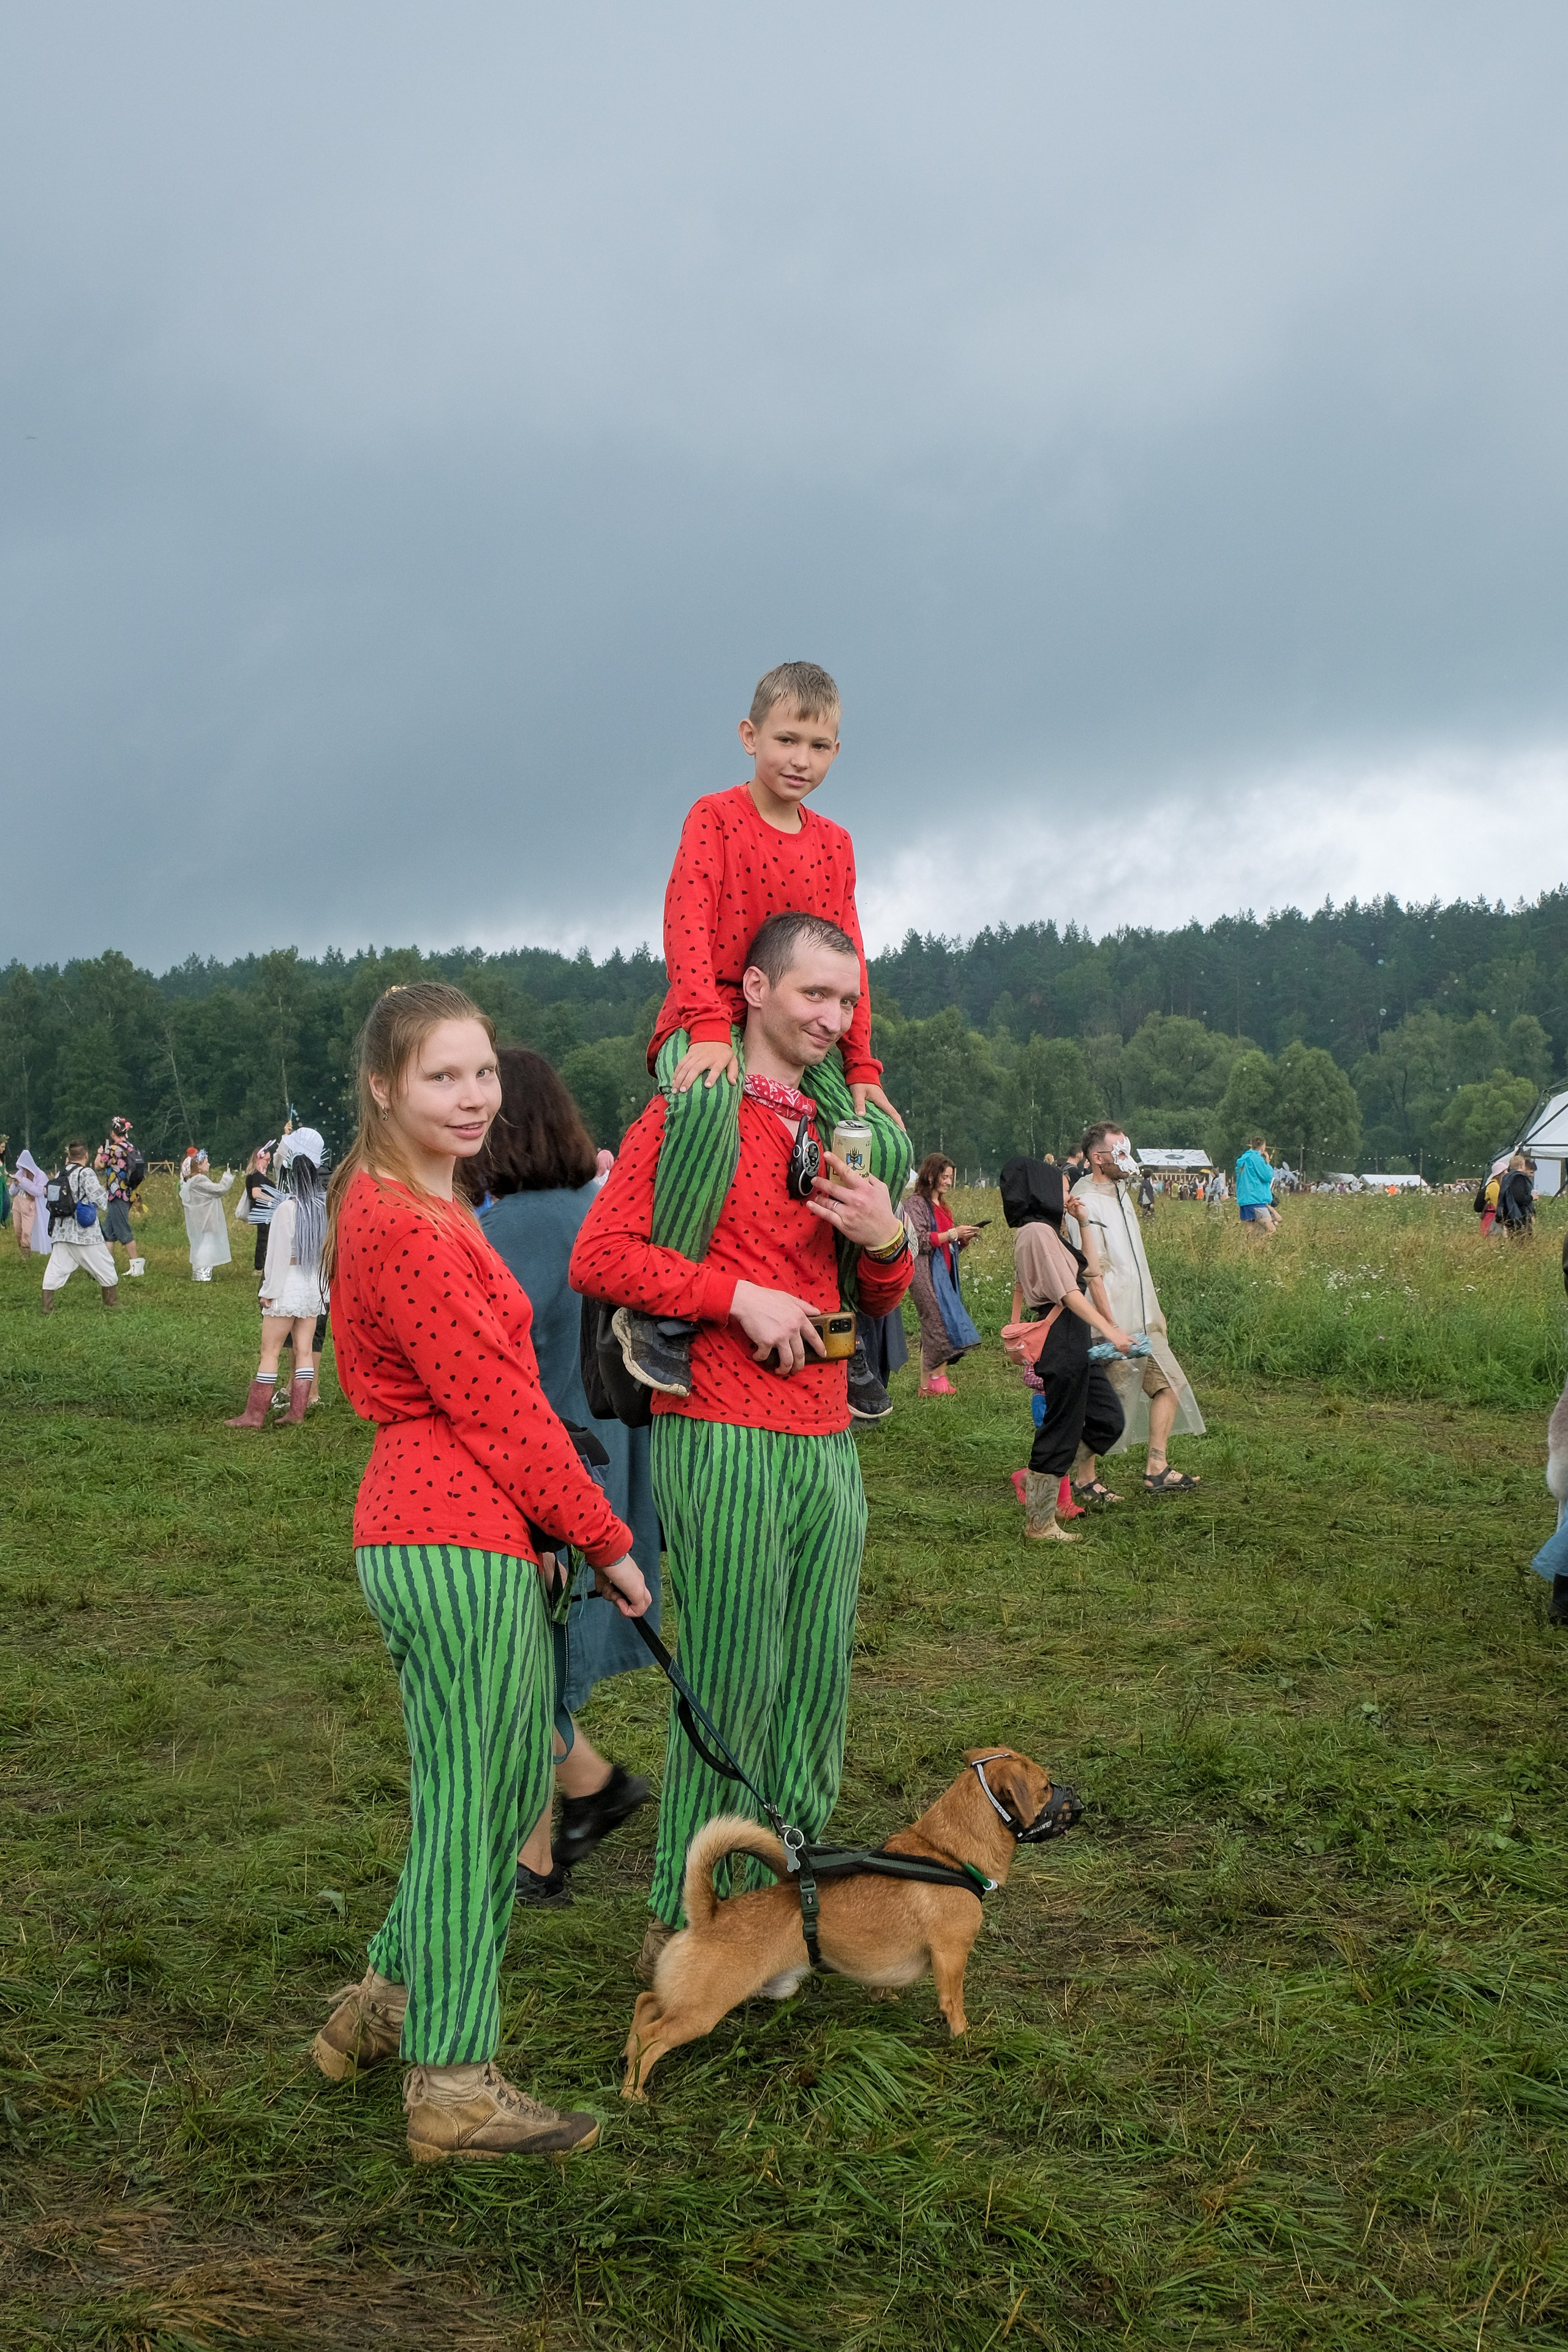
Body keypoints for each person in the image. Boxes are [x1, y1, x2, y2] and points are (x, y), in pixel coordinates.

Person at [310, 981, 650, 2165]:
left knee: (491, 1792)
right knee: (486, 1809)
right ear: (383, 1086)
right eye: (441, 1077)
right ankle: (451, 2087)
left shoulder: (419, 1201)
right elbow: (501, 1410)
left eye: (482, 1074)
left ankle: (381, 2007)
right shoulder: (406, 1222)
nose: (472, 1097)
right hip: (449, 1532)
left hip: (449, 1527)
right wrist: (608, 1542)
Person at [570, 911, 914, 1983]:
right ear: (756, 990)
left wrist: (886, 1239)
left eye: (848, 1002)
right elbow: (602, 1254)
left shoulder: (842, 1125)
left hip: (824, 1437)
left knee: (814, 1672)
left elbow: (882, 1289)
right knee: (729, 1674)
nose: (833, 1019)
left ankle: (785, 1900)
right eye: (814, 995)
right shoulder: (689, 1112)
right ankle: (688, 1916)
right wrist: (736, 1297)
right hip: (717, 1426)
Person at [610, 660, 912, 1422]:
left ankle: (844, 1327)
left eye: (818, 745)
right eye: (785, 739)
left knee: (880, 1144)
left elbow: (849, 955)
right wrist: (708, 1027)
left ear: (837, 752)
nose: (799, 760)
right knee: (708, 1109)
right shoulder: (714, 816)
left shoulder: (836, 843)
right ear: (749, 737)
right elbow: (686, 915)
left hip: (804, 1029)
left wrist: (862, 1063)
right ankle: (663, 1317)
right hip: (708, 1010)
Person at [464, 1046, 660, 1905]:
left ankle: (550, 1839)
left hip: (542, 1471)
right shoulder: (604, 1209)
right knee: (527, 1659)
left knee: (510, 1663)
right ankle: (570, 1808)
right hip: (613, 1466)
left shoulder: (503, 1232)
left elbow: (490, 1381)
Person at [1068, 1124, 1206, 1496]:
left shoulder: (1122, 1194)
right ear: (1099, 1158)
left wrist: (1153, 1311)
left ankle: (1156, 1467)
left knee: (1171, 1384)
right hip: (1111, 1320)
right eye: (1120, 1152)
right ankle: (1079, 1479)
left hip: (1143, 1318)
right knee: (1105, 1402)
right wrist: (1109, 1326)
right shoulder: (1083, 1201)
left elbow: (1135, 1262)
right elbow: (1092, 1271)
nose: (1128, 1159)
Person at [1000, 1158, 1131, 1542]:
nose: (1068, 1192)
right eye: (1061, 1187)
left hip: (1075, 1339)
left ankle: (1035, 1479)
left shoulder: (1048, 1231)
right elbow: (1070, 1294)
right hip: (1060, 1339)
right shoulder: (1037, 1233)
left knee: (1108, 1419)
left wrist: (1084, 1221)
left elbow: (1088, 1270)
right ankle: (1039, 1523)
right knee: (1060, 1429)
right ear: (1039, 1188)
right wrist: (1110, 1329)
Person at [225, 1129, 329, 1427]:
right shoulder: (323, 1207)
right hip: (312, 1287)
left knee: (269, 1352)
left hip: (287, 1285)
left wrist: (269, 1289)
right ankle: (297, 1413)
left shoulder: (287, 1207)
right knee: (305, 1351)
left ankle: (254, 1415)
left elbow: (277, 1256)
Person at [905, 1154, 982, 1396]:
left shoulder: (943, 1206)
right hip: (924, 1272)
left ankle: (930, 1382)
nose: (949, 1182)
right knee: (936, 1323)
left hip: (945, 1272)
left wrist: (962, 1239)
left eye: (951, 1177)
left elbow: (948, 1243)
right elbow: (920, 1240)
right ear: (930, 1176)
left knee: (941, 1322)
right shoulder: (915, 1204)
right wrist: (952, 1233)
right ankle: (933, 1381)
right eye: (944, 1176)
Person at [39, 1142, 119, 1313]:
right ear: (87, 1155)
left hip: (61, 1230)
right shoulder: (86, 1172)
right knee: (105, 1265)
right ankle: (112, 1302)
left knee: (56, 1267)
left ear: (70, 1156)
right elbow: (101, 1201)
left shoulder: (61, 1172)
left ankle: (48, 1305)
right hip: (84, 1232)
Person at [95, 1117, 146, 1278]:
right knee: (109, 1232)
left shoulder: (114, 1150)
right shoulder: (132, 1148)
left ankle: (137, 1264)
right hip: (128, 1193)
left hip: (117, 1194)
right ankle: (105, 1265)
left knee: (123, 1230)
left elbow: (98, 1166)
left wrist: (100, 1152)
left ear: (113, 1133)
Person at [179, 1150, 235, 1280]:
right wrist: (227, 1178)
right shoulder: (199, 1179)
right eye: (206, 1162)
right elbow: (219, 1190)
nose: (209, 1165)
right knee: (207, 1243)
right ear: (198, 1166)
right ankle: (202, 1273)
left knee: (203, 1242)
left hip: (201, 1217)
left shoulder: (193, 1180)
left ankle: (201, 1271)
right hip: (206, 1217)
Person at [236, 1141, 280, 1274]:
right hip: (263, 1211)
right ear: (259, 1159)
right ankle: (260, 1267)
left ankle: (262, 1265)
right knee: (264, 1238)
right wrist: (274, 1199)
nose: (269, 1162)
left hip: (263, 1211)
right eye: (267, 1159)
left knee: (265, 1237)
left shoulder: (255, 1175)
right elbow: (256, 1194)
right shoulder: (257, 1176)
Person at [1235, 1136, 1280, 1235]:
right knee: (1271, 1230)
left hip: (1245, 1202)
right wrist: (1267, 1163)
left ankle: (1251, 1249)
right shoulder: (1257, 1158)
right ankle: (1257, 1248)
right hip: (1257, 1200)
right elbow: (1267, 1176)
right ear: (1263, 1147)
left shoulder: (1242, 1160)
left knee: (1251, 1233)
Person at [10, 1148, 48, 1256]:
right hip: (18, 1203)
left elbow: (38, 1191)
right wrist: (16, 1183)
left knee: (26, 1231)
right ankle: (21, 1250)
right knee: (18, 1230)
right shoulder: (20, 1173)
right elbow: (12, 1192)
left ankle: (26, 1255)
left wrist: (23, 1182)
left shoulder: (40, 1175)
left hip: (30, 1205)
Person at [1497, 1153, 1536, 1239]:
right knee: (1524, 1240)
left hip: (1509, 1214)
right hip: (1519, 1215)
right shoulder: (1519, 1178)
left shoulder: (1507, 1178)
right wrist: (1532, 1197)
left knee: (1513, 1239)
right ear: (1522, 1166)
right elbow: (1520, 1198)